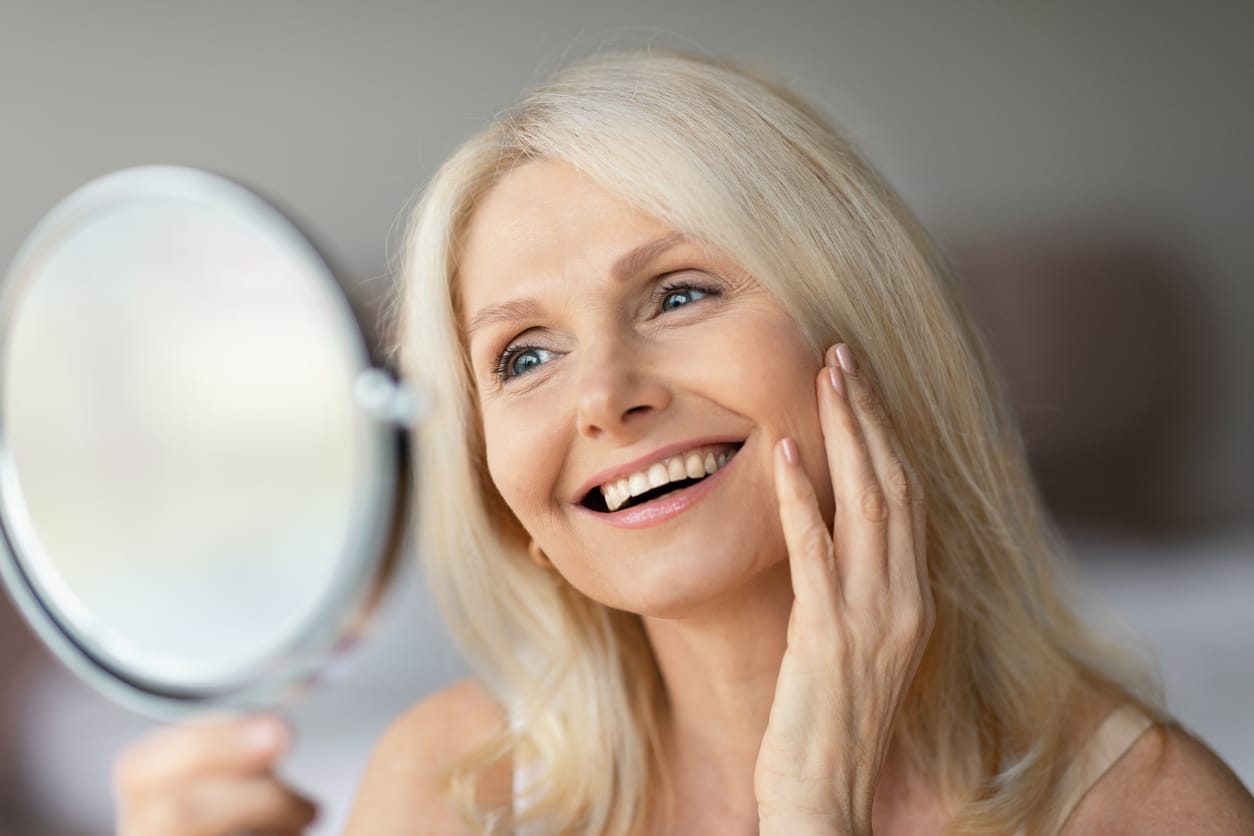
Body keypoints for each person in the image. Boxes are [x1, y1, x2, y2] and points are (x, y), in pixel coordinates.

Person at [113, 50, 1254, 835]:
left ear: (867, 334)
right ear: (507, 502)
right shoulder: (457, 788)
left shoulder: (1144, 807)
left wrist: (814, 808)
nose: (604, 398)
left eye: (679, 293)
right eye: (523, 356)